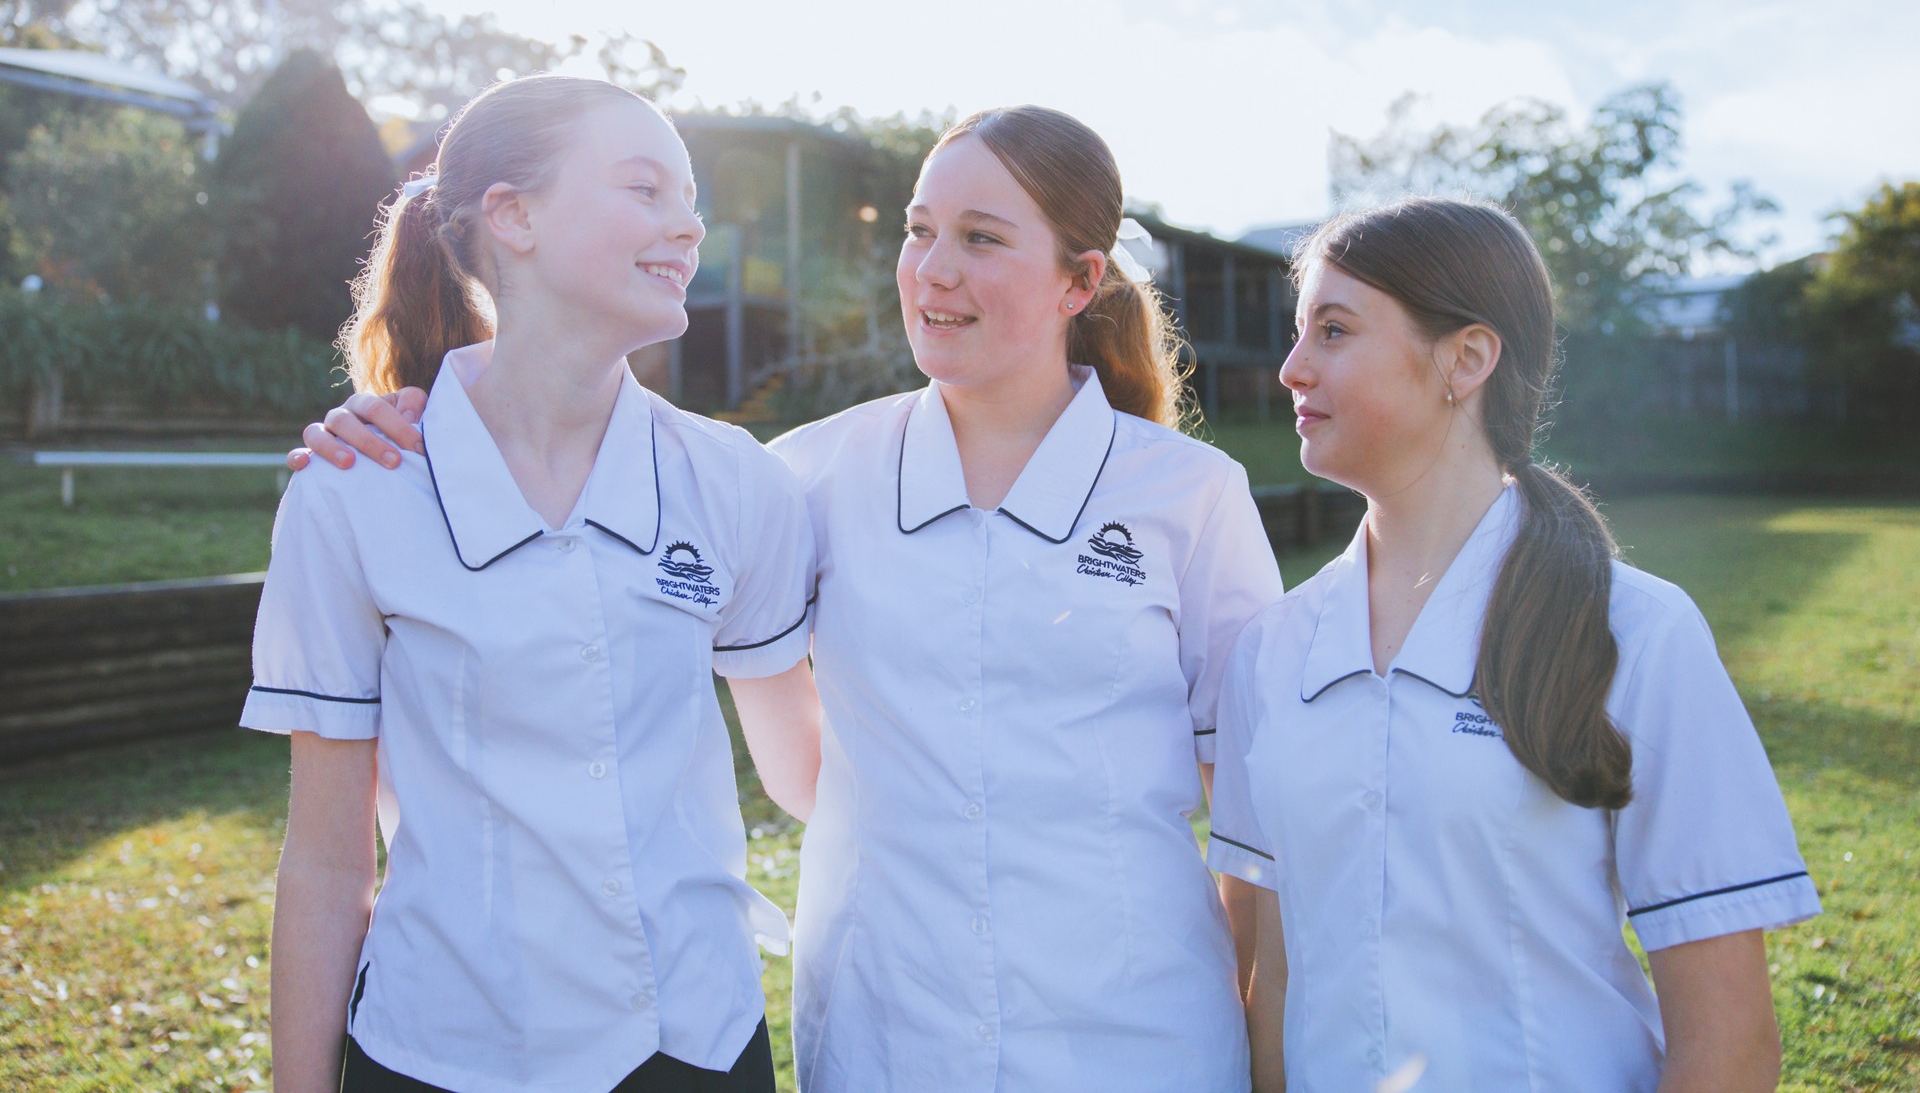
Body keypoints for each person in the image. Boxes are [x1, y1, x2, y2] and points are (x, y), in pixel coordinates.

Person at [295, 105, 1282, 1092]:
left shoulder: (1191, 496)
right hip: (889, 1037)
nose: (934, 267)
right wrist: (411, 418)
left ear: (1081, 279)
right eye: (918, 228)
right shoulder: (801, 476)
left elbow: (1252, 816)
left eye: (980, 237)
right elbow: (778, 753)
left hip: (1144, 1039)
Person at [248, 75, 820, 1093]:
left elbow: (809, 773)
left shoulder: (738, 483)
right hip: (439, 1053)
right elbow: (330, 862)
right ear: (514, 215)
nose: (688, 226)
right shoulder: (354, 492)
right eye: (646, 188)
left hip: (694, 1047)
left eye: (689, 196)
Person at [1205, 198, 1821, 1093]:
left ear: (1466, 359)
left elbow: (1728, 1040)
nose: (1291, 369)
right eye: (1299, 334)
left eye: (1333, 332)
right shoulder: (1270, 652)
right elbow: (1270, 977)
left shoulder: (1637, 633)